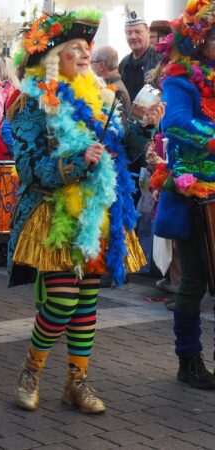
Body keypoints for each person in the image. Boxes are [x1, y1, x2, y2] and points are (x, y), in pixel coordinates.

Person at [8, 7, 163, 414]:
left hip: (97, 213)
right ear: (52, 56)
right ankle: (32, 370)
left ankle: (76, 383)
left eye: (85, 48)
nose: (83, 54)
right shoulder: (32, 103)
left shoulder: (104, 98)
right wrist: (76, 163)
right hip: (53, 214)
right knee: (59, 302)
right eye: (74, 47)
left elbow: (123, 156)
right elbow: (28, 168)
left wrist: (143, 127)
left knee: (86, 303)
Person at [152, 0, 215, 390]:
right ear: (201, 39)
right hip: (194, 193)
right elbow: (175, 123)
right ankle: (188, 360)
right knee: (194, 280)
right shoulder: (179, 78)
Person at [119, 8, 163, 101]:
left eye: (138, 32)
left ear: (148, 32)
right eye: (129, 33)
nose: (133, 36)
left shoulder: (161, 59)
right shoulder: (123, 63)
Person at [91, 45, 132, 124]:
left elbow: (120, 128)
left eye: (92, 63)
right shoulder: (113, 86)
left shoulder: (115, 90)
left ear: (101, 66)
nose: (90, 66)